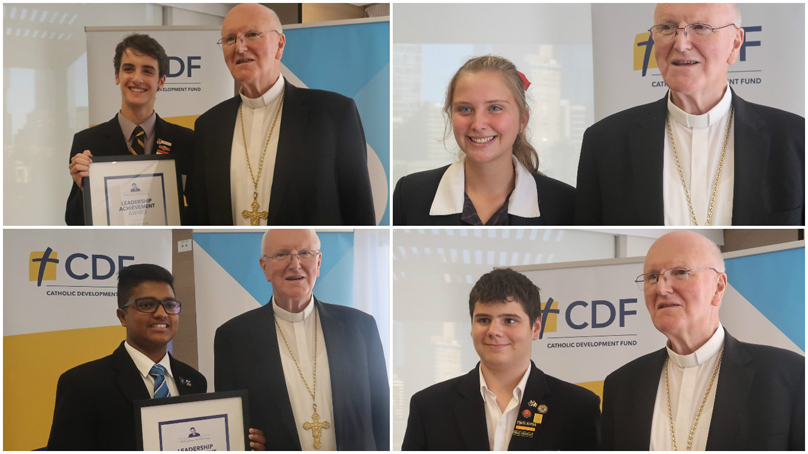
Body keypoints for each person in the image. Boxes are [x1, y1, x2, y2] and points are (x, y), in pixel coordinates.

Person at [575, 3, 804, 226]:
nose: (681, 44)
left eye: (701, 27)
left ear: (735, 44)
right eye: (667, 28)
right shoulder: (604, 141)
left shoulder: (796, 138)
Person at [601, 231, 804, 450]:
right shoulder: (621, 385)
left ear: (718, 287)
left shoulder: (790, 376)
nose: (661, 288)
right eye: (652, 277)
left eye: (680, 272)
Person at [46, 264, 267, 451]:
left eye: (170, 305)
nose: (161, 314)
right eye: (147, 305)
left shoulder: (194, 380)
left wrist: (239, 442)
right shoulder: (82, 384)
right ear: (122, 316)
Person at [190, 4, 375, 226]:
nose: (239, 47)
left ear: (279, 45)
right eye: (230, 39)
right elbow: (200, 216)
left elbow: (359, 213)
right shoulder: (208, 126)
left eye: (252, 35)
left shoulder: (334, 114)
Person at [214, 229, 389, 450]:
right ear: (264, 267)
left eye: (305, 253)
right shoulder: (233, 338)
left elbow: (382, 414)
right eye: (281, 254)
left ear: (318, 262)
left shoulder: (360, 327)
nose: (295, 264)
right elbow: (231, 426)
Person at [402, 268, 600, 450]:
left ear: (536, 327)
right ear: (471, 327)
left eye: (509, 320)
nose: (494, 331)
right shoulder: (429, 406)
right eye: (484, 320)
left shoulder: (578, 408)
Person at [394, 55, 574, 226]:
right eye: (465, 109)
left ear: (523, 119)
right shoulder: (410, 194)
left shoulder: (566, 203)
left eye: (495, 108)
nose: (478, 124)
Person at [65, 34, 193, 225]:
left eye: (148, 71)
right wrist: (85, 188)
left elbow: (199, 210)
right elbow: (73, 221)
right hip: (114, 252)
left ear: (161, 81)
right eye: (129, 69)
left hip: (165, 249)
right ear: (117, 76)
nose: (137, 78)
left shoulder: (187, 141)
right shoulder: (87, 142)